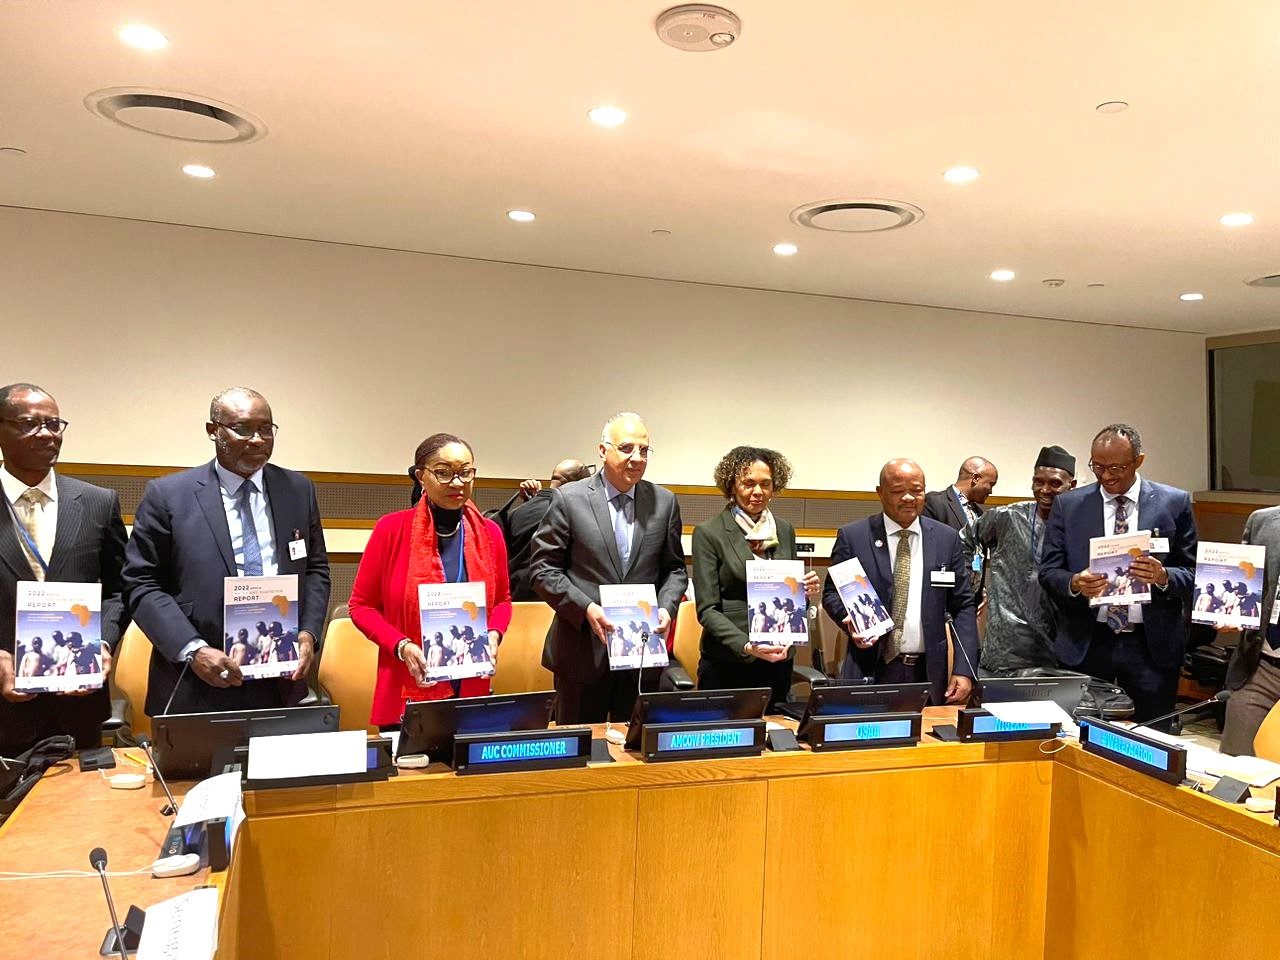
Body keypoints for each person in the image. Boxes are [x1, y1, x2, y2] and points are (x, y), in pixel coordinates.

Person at [122, 387, 330, 715]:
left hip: (280, 679)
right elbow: (141, 583)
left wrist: (308, 632)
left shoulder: (297, 489)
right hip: (196, 680)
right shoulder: (169, 495)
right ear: (213, 431)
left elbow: (316, 568)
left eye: (266, 429)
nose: (258, 440)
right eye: (243, 429)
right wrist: (193, 649)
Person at [530, 412, 687, 724]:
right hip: (582, 653)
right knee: (579, 757)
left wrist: (668, 607)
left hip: (640, 656)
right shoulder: (568, 499)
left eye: (644, 450)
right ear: (603, 451)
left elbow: (675, 570)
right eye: (627, 448)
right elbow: (543, 570)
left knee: (634, 758)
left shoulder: (664, 502)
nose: (637, 458)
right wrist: (586, 607)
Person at [349, 433, 513, 728]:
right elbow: (361, 607)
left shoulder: (491, 534)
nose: (458, 482)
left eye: (465, 472)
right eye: (444, 472)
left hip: (471, 681)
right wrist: (401, 646)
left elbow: (502, 600)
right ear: (420, 477)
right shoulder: (391, 530)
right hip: (409, 683)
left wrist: (494, 634)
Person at [1039, 423, 1197, 725]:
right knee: (1075, 737)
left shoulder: (1173, 503)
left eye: (1116, 468)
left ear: (1139, 461)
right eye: (1097, 467)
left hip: (1151, 647)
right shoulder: (1069, 505)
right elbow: (1048, 571)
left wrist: (1163, 576)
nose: (1106, 476)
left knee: (1153, 739)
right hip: (1086, 642)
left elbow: (1193, 574)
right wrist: (1074, 582)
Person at [0, 383, 127, 755]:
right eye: (30, 423)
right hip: (6, 707)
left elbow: (122, 589)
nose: (47, 434)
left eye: (55, 424)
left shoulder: (97, 502)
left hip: (80, 703)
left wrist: (103, 641)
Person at [821, 459, 978, 705]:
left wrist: (965, 668)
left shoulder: (947, 539)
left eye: (916, 490)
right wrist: (848, 619)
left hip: (928, 671)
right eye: (897, 491)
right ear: (880, 493)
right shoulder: (854, 536)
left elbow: (963, 606)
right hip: (870, 667)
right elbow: (831, 595)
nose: (908, 498)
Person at [691, 445, 820, 709]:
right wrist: (748, 645)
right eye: (748, 483)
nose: (757, 492)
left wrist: (803, 593)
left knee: (776, 744)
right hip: (729, 663)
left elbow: (790, 601)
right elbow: (707, 610)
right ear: (732, 485)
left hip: (778, 661)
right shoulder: (709, 533)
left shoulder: (784, 530)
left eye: (766, 484)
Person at [962, 445, 1076, 676]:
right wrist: (972, 586)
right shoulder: (1008, 517)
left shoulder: (1080, 523)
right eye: (1038, 482)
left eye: (1054, 483)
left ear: (1071, 486)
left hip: (1060, 646)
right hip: (1007, 647)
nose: (1045, 490)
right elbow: (963, 540)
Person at [1222, 505, 1280, 754]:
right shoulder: (1263, 521)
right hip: (1260, 665)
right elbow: (1245, 584)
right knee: (1234, 772)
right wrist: (1229, 613)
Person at [498, 460, 595, 601]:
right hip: (555, 600)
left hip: (516, 599)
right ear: (577, 485)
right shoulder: (572, 514)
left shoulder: (517, 512)